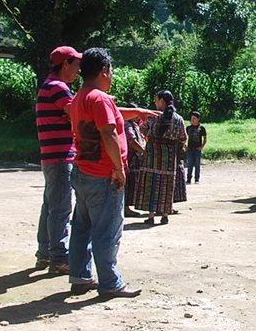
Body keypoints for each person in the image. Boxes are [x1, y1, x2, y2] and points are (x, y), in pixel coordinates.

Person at [67, 48, 154, 299]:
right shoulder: (100, 99)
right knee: (107, 229)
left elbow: (112, 114)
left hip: (83, 170)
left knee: (82, 227)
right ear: (104, 70)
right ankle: (110, 282)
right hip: (104, 174)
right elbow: (108, 132)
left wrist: (138, 113)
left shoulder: (79, 97)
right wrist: (118, 168)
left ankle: (80, 276)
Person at [33, 45, 80, 275]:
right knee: (61, 208)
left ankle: (44, 253)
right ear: (65, 64)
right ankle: (59, 257)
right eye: (76, 64)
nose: (78, 70)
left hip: (51, 155)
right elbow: (77, 114)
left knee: (50, 205)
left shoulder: (48, 86)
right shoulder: (59, 88)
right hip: (61, 156)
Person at [134, 90, 188, 225]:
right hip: (170, 157)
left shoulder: (153, 117)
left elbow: (142, 129)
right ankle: (165, 215)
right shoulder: (179, 119)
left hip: (152, 155)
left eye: (156, 100)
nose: (155, 102)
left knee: (151, 183)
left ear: (162, 101)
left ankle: (151, 216)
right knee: (167, 184)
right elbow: (183, 137)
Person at [122, 111, 146, 217]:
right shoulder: (127, 124)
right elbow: (132, 141)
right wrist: (143, 151)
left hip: (134, 158)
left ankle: (127, 207)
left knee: (132, 182)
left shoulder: (134, 125)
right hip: (130, 158)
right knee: (129, 182)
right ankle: (125, 207)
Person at [184, 111, 207, 183]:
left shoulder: (202, 128)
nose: (192, 120)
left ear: (198, 119)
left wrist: (202, 147)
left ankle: (197, 179)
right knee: (189, 164)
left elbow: (205, 138)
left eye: (194, 118)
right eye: (191, 118)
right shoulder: (188, 128)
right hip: (190, 149)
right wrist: (185, 146)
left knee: (197, 165)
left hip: (197, 149)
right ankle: (188, 179)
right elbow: (183, 137)